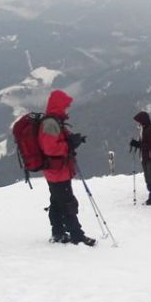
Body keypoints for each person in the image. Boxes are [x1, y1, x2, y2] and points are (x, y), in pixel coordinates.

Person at [38, 90, 95, 246]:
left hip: (56, 171)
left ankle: (58, 233)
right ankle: (77, 236)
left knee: (57, 202)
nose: (67, 109)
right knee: (68, 203)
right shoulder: (50, 123)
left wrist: (72, 140)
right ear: (58, 105)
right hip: (58, 171)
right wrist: (69, 144)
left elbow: (57, 142)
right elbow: (50, 148)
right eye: (65, 106)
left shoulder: (55, 121)